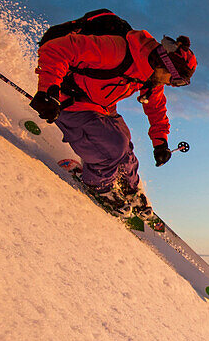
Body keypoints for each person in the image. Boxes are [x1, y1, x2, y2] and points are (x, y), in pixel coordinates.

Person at [29, 27, 196, 218]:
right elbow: (57, 48)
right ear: (165, 63)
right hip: (72, 102)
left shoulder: (151, 75)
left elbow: (156, 107)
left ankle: (129, 188)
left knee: (125, 141)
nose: (170, 84)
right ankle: (100, 185)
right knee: (115, 146)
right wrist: (47, 91)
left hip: (102, 107)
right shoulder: (117, 51)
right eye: (174, 80)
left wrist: (160, 143)